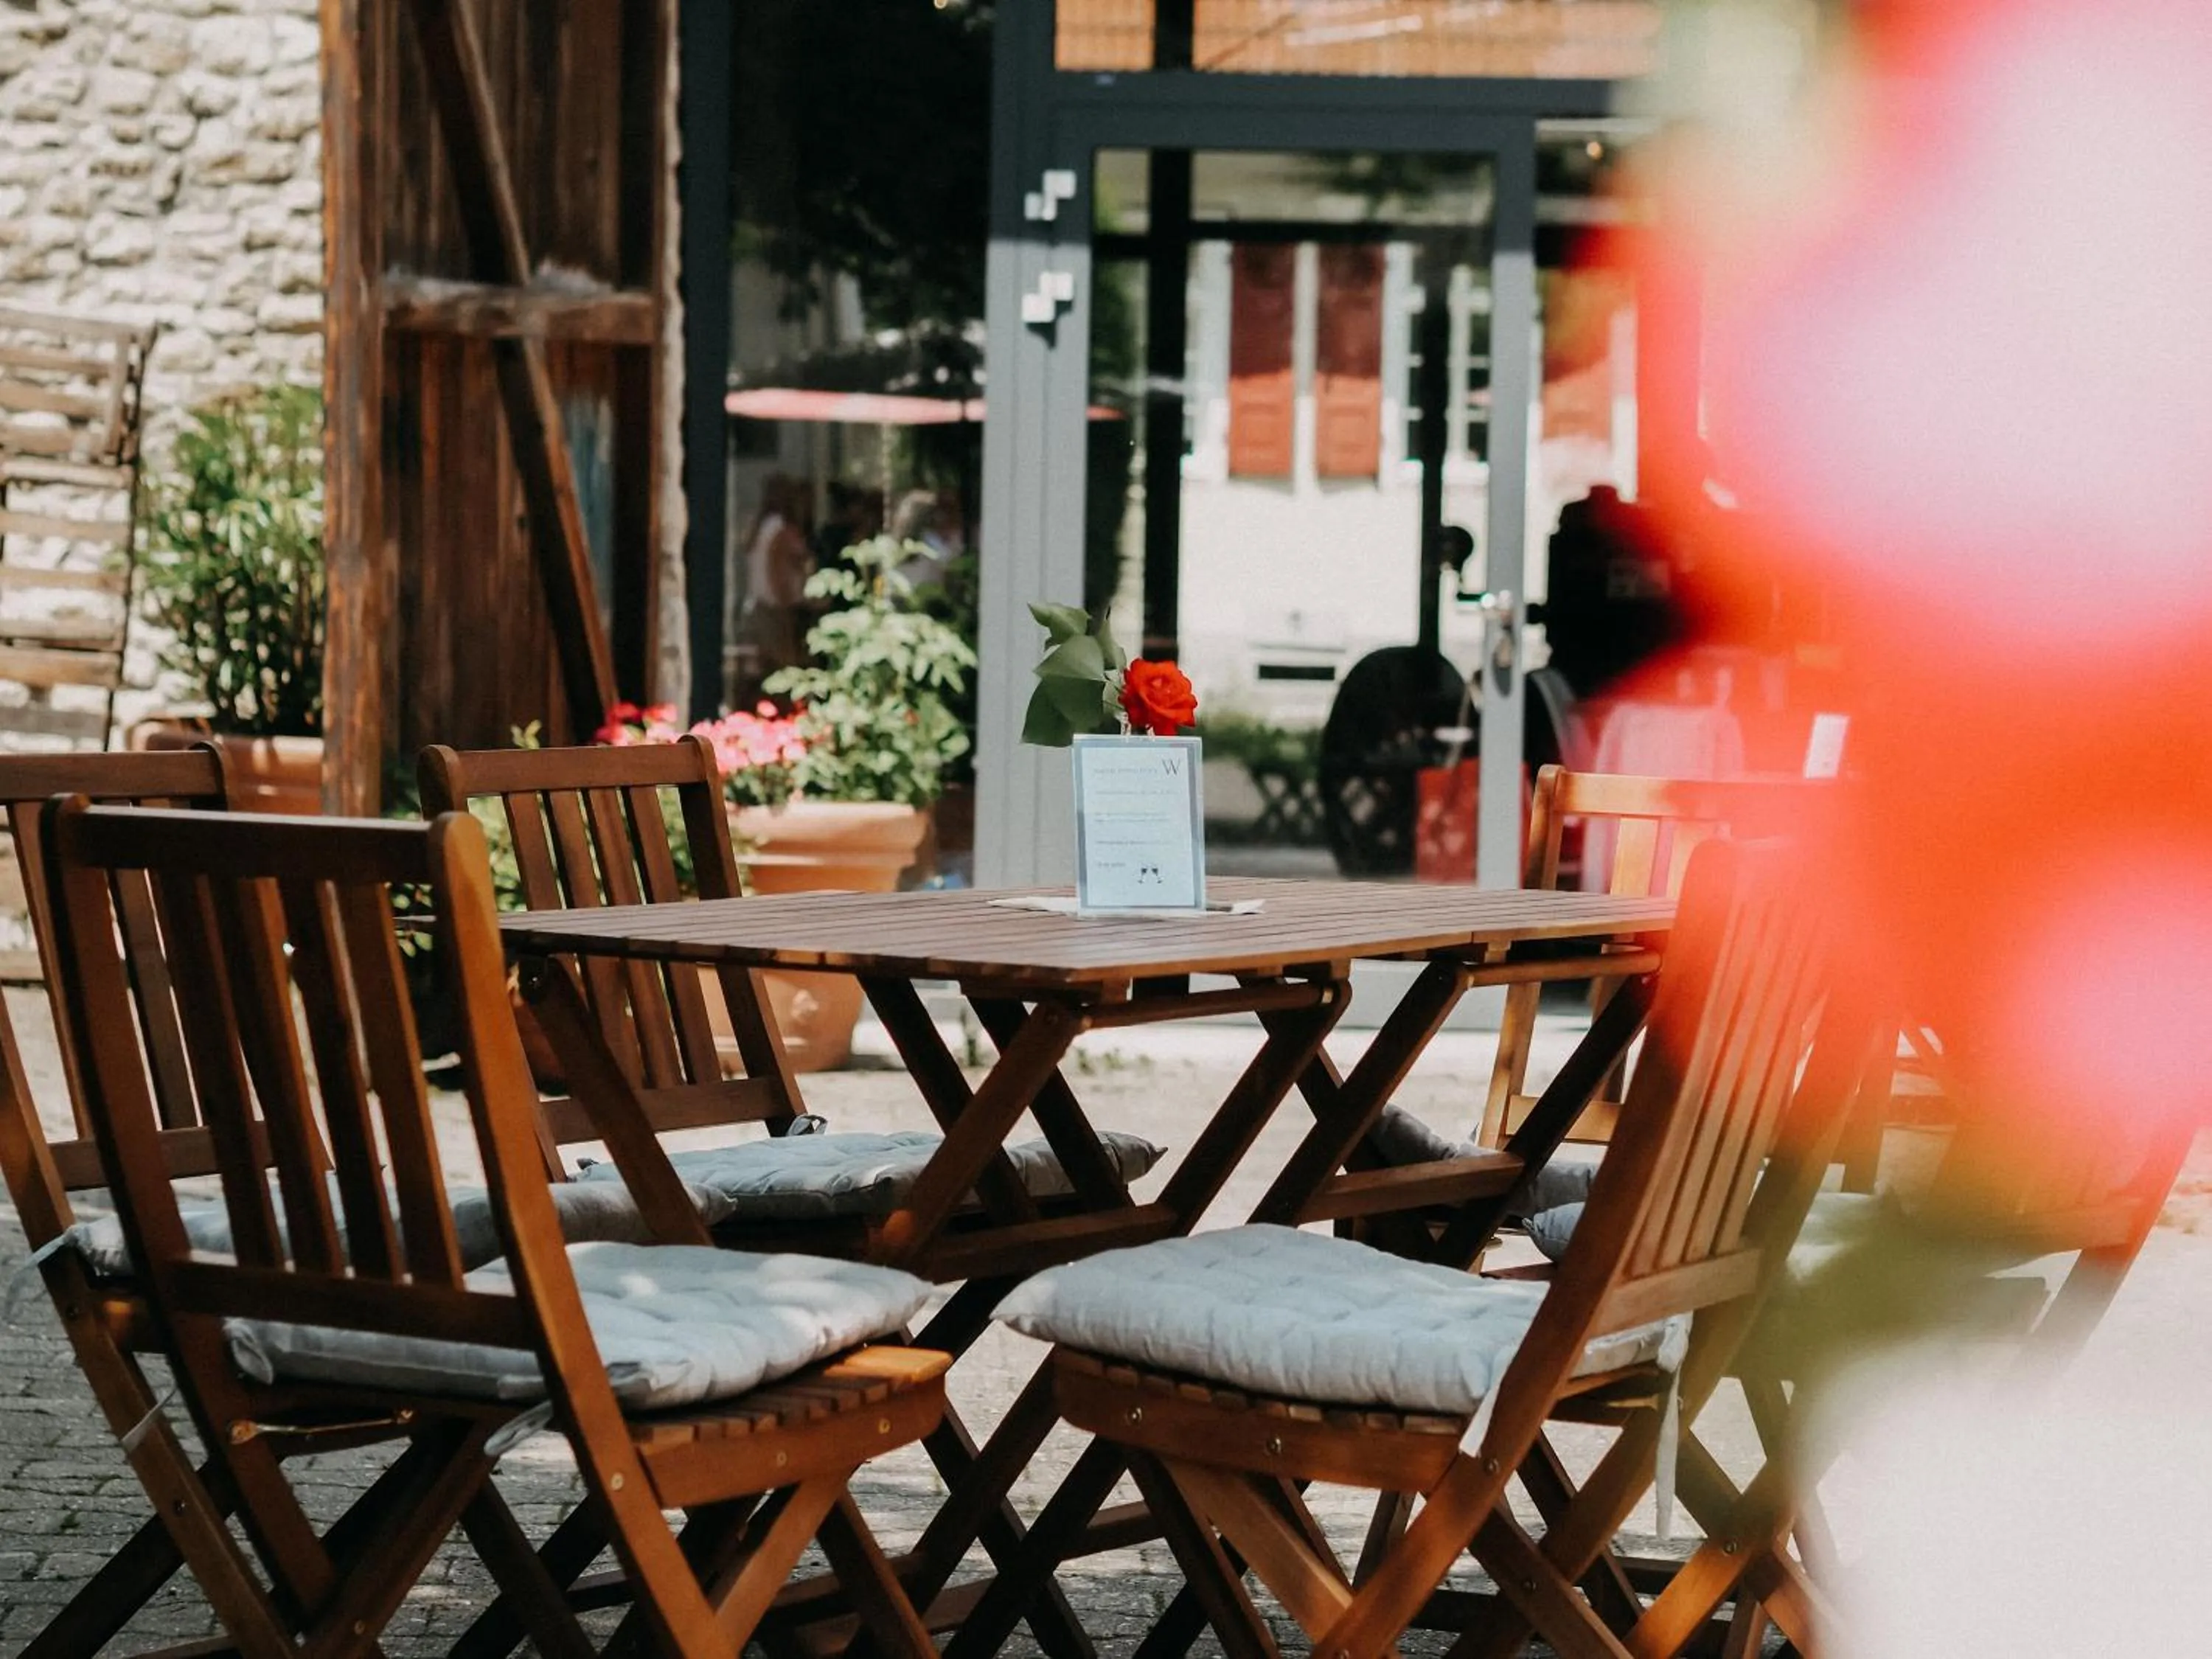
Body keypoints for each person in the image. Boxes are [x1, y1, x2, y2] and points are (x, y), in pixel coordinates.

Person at [735, 474, 815, 679]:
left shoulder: (760, 527)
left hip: (756, 608)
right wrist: (787, 609)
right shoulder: (780, 531)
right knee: (784, 674)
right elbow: (779, 574)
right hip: (775, 611)